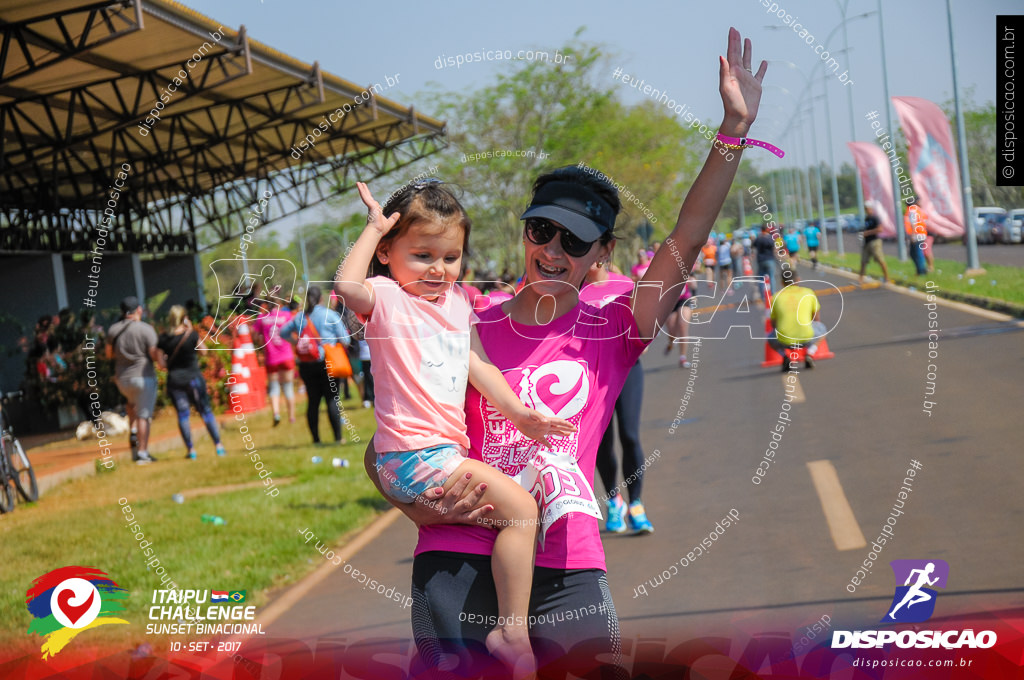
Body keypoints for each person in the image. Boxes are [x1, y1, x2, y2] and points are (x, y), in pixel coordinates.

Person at [360, 28, 766, 676]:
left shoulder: (616, 325)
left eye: (573, 241)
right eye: (539, 230)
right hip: (456, 556)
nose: (552, 250)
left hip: (566, 564)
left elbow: (687, 237)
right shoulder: (460, 316)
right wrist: (402, 495)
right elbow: (385, 439)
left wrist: (732, 131)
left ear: (603, 253)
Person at [336, 179, 576, 676]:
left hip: (431, 456)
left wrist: (519, 413)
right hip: (415, 455)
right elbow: (345, 287)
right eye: (422, 255)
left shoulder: (457, 302)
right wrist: (372, 229)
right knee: (522, 512)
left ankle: (484, 626)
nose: (438, 269)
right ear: (386, 253)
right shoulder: (385, 298)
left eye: (450, 257)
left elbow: (477, 364)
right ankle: (511, 632)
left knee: (504, 512)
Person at [581, 261, 654, 535]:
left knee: (630, 435)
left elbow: (644, 323)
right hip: (594, 375)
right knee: (602, 441)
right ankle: (614, 501)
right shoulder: (573, 291)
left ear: (605, 251)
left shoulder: (625, 285)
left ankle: (636, 504)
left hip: (628, 370)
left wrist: (641, 340)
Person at [280, 286, 349, 445]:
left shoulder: (300, 317)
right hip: (328, 364)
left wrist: (297, 343)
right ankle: (338, 438)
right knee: (332, 399)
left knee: (313, 402)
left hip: (306, 365)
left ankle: (316, 440)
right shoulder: (330, 315)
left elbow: (283, 332)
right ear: (321, 299)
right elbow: (345, 339)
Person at [156, 305, 226, 459]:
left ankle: (191, 450)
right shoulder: (192, 335)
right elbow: (204, 351)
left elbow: (161, 363)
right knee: (205, 411)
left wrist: (171, 364)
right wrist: (190, 329)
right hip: (194, 379)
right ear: (184, 318)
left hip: (175, 381)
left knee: (183, 415)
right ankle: (219, 446)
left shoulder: (163, 339)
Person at [108, 296, 160, 464]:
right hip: (143, 377)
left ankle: (133, 430)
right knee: (144, 415)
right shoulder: (146, 329)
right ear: (139, 310)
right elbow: (153, 354)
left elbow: (109, 354)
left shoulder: (113, 330)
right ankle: (143, 453)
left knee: (132, 404)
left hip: (122, 380)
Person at [251, 300, 297, 426]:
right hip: (286, 356)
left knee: (274, 386)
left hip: (271, 358)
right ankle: (291, 417)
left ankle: (276, 413)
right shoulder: (286, 315)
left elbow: (254, 335)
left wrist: (261, 340)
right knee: (288, 387)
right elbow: (294, 330)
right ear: (279, 304)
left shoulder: (261, 318)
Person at [768, 275, 827, 371]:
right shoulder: (808, 292)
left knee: (770, 336)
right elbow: (816, 319)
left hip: (784, 340)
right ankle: (810, 353)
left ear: (782, 283)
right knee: (822, 328)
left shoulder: (776, 297)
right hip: (807, 337)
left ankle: (785, 356)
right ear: (798, 279)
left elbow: (773, 324)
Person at [858, 205, 890, 284]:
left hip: (875, 241)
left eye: (868, 208)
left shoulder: (875, 218)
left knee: (880, 259)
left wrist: (867, 233)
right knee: (863, 261)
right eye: (865, 209)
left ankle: (887, 277)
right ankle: (860, 279)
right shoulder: (866, 219)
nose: (867, 210)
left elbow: (880, 229)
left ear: (871, 209)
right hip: (867, 242)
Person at [905, 204, 933, 273]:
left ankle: (921, 270)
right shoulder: (919, 210)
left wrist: (913, 235)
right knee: (918, 252)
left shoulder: (912, 211)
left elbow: (913, 223)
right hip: (922, 233)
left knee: (916, 253)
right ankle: (921, 269)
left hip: (916, 234)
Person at [753, 223, 778, 298]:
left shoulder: (758, 238)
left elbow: (753, 246)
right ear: (767, 229)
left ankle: (762, 296)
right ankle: (773, 294)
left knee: (761, 278)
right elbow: (774, 248)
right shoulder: (769, 238)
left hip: (761, 260)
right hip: (769, 259)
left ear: (761, 229)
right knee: (771, 277)